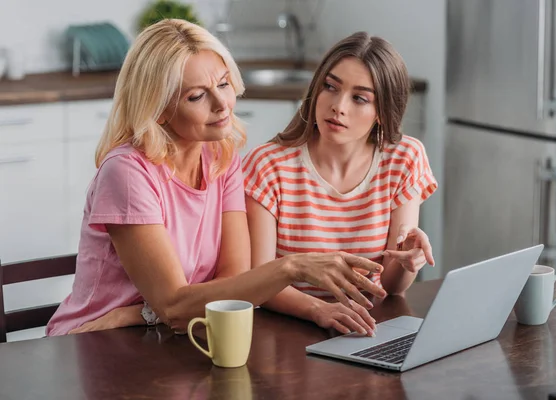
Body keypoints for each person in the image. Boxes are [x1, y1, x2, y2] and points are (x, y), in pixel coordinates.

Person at [45, 20, 386, 336]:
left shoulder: (222, 159)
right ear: (159, 108)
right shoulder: (129, 173)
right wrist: (291, 268)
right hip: (94, 342)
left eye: (223, 84)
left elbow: (234, 282)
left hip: (162, 336)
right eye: (196, 96)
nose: (223, 104)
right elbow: (176, 307)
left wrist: (139, 313)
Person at [242, 32, 438, 338]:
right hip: (288, 333)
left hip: (365, 331)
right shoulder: (268, 165)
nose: (338, 106)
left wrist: (408, 259)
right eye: (330, 87)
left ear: (382, 113)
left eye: (359, 98)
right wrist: (318, 310)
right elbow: (259, 282)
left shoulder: (404, 159)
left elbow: (390, 287)